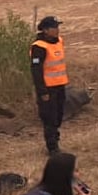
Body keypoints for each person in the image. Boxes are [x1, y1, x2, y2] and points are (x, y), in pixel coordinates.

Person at [30, 15, 69, 154]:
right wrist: (42, 92)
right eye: (54, 27)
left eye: (57, 27)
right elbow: (36, 72)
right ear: (46, 30)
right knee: (49, 118)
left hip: (60, 86)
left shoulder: (59, 42)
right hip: (48, 89)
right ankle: (52, 148)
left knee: (58, 116)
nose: (57, 30)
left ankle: (55, 141)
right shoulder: (39, 47)